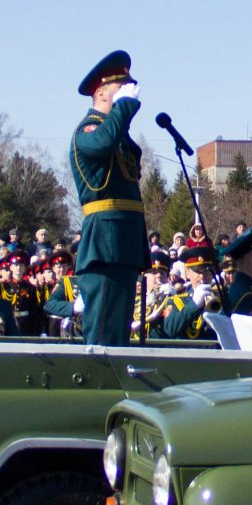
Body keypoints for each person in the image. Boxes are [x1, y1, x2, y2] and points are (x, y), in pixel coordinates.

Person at [69, 51, 149, 345]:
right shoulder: (88, 129)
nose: (128, 92)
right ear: (101, 93)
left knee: (118, 333)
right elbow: (101, 144)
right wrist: (125, 107)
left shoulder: (120, 137)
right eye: (120, 87)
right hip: (105, 243)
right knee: (103, 333)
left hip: (124, 243)